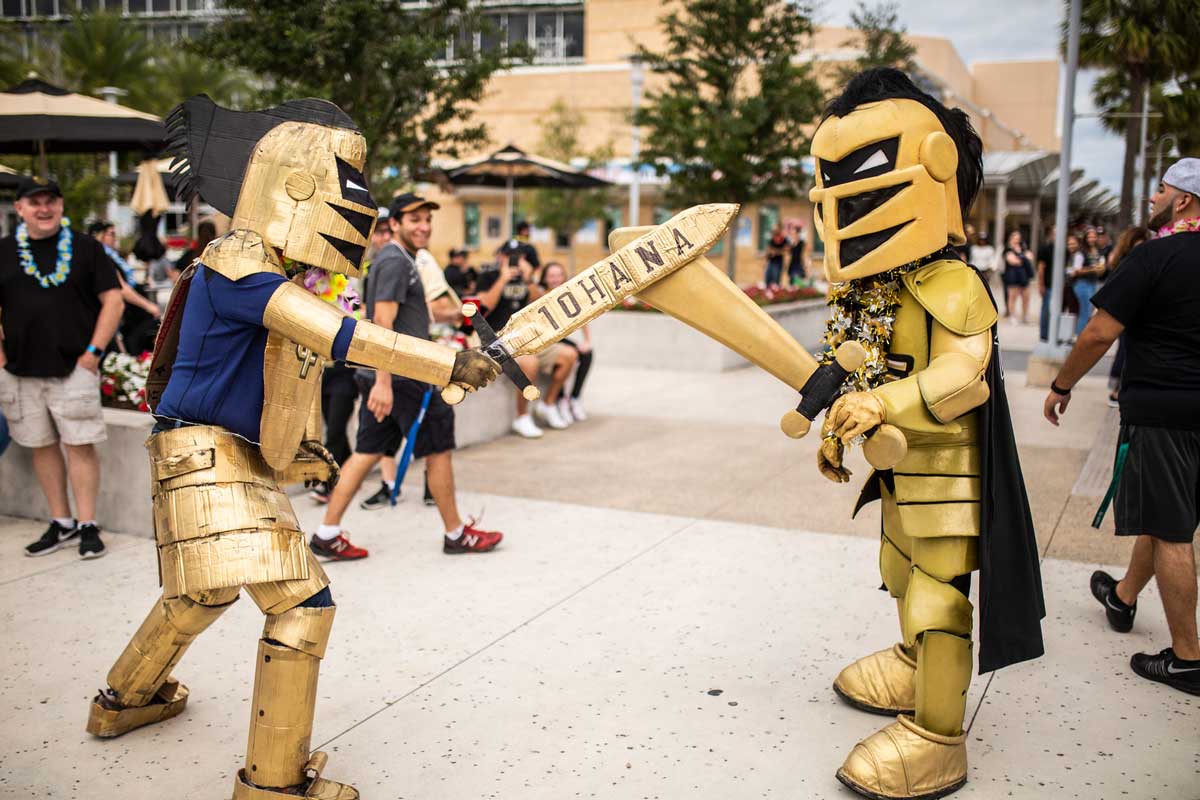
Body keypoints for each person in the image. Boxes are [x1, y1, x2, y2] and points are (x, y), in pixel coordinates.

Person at [83, 96, 499, 800]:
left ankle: (124, 700)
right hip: (207, 452)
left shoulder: (250, 263)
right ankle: (274, 784)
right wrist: (443, 363)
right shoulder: (241, 265)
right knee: (303, 608)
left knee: (201, 593)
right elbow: (338, 334)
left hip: (211, 451)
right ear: (295, 186)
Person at [810, 68, 1043, 799]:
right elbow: (858, 360)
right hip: (898, 470)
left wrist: (885, 403)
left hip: (945, 471)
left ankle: (939, 736)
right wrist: (838, 420)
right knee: (902, 574)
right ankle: (916, 666)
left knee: (939, 597)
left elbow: (962, 376)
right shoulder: (874, 288)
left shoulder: (953, 284)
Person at [1043, 158, 1200, 698]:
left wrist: (1062, 385)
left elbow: (1097, 333)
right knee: (1169, 516)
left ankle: (1187, 659)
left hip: (1164, 412)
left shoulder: (1153, 257)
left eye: (1160, 191)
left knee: (1174, 534)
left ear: (1183, 201)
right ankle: (1124, 596)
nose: (1150, 201)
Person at [314, 192, 505, 556]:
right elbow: (382, 325)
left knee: (366, 452)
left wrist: (452, 315)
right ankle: (455, 534)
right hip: (405, 379)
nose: (424, 226)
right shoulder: (395, 261)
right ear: (396, 224)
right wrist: (384, 383)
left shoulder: (402, 260)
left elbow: (402, 317)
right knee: (439, 450)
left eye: (428, 220)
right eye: (414, 220)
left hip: (393, 379)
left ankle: (326, 531)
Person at [0, 176, 124, 560]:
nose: (44, 208)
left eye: (50, 200)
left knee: (79, 444)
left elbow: (114, 300)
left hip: (75, 367)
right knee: (41, 446)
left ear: (60, 205)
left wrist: (92, 354)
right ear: (19, 208)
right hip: (20, 370)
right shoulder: (3, 251)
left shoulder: (86, 248)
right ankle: (62, 521)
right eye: (34, 202)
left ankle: (88, 524)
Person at [476, 247, 577, 437]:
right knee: (530, 363)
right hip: (496, 342)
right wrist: (503, 278)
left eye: (520, 257)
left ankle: (548, 404)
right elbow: (483, 306)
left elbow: (540, 302)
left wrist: (529, 278)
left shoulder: (525, 278)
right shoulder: (488, 276)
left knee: (569, 355)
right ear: (500, 256)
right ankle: (521, 417)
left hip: (525, 339)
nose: (515, 261)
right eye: (510, 256)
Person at [88, 220, 161, 353]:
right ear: (100, 236)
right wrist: (148, 305)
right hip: (124, 316)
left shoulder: (110, 257)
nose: (115, 238)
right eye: (111, 234)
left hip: (126, 315)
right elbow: (121, 288)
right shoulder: (102, 258)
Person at [1103, 226, 1150, 406]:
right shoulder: (1129, 263)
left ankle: (1118, 388)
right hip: (1126, 312)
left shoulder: (1123, 260)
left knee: (1125, 349)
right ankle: (1116, 390)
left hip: (1128, 312)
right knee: (1125, 350)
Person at [541, 261, 592, 421]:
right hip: (547, 340)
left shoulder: (568, 294)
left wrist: (587, 341)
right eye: (551, 276)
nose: (555, 279)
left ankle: (574, 398)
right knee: (567, 355)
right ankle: (560, 398)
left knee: (587, 354)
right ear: (545, 278)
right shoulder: (540, 295)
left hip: (562, 338)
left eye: (558, 275)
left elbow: (582, 319)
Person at [1069, 226, 1106, 338]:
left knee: (1089, 312)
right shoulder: (1081, 252)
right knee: (1085, 312)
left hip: (1093, 283)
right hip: (1082, 284)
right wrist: (1092, 269)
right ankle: (1078, 336)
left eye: (1094, 236)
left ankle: (1082, 335)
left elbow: (1100, 268)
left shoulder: (1098, 251)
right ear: (1085, 238)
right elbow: (1076, 270)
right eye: (1089, 236)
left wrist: (1100, 269)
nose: (1092, 238)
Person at [1001, 229, 1033, 324]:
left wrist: (1020, 257)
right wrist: (1023, 257)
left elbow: (1030, 257)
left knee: (1026, 297)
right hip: (1013, 276)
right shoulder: (1007, 249)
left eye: (1018, 238)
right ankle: (1012, 316)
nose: (1017, 240)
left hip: (1024, 276)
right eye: (1015, 238)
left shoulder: (1024, 247)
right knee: (1012, 297)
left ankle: (1025, 316)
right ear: (1011, 239)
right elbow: (1012, 261)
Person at [1035, 224, 1055, 341]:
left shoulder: (1062, 249)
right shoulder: (1045, 249)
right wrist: (1040, 285)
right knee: (1046, 309)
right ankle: (1044, 335)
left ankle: (1052, 333)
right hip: (1048, 285)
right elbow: (1041, 268)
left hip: (1059, 287)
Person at [764, 223, 787, 288]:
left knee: (776, 282)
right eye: (774, 228)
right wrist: (766, 260)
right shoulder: (772, 239)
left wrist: (775, 252)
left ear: (779, 229)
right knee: (767, 280)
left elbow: (786, 251)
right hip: (770, 262)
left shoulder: (783, 239)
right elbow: (768, 250)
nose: (774, 229)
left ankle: (776, 294)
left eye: (776, 228)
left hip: (778, 263)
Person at [785, 219, 808, 284]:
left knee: (798, 284)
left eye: (793, 232)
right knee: (792, 283)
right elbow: (787, 255)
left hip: (799, 266)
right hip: (792, 265)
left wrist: (805, 267)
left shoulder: (802, 243)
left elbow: (804, 255)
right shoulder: (790, 243)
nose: (792, 234)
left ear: (797, 233)